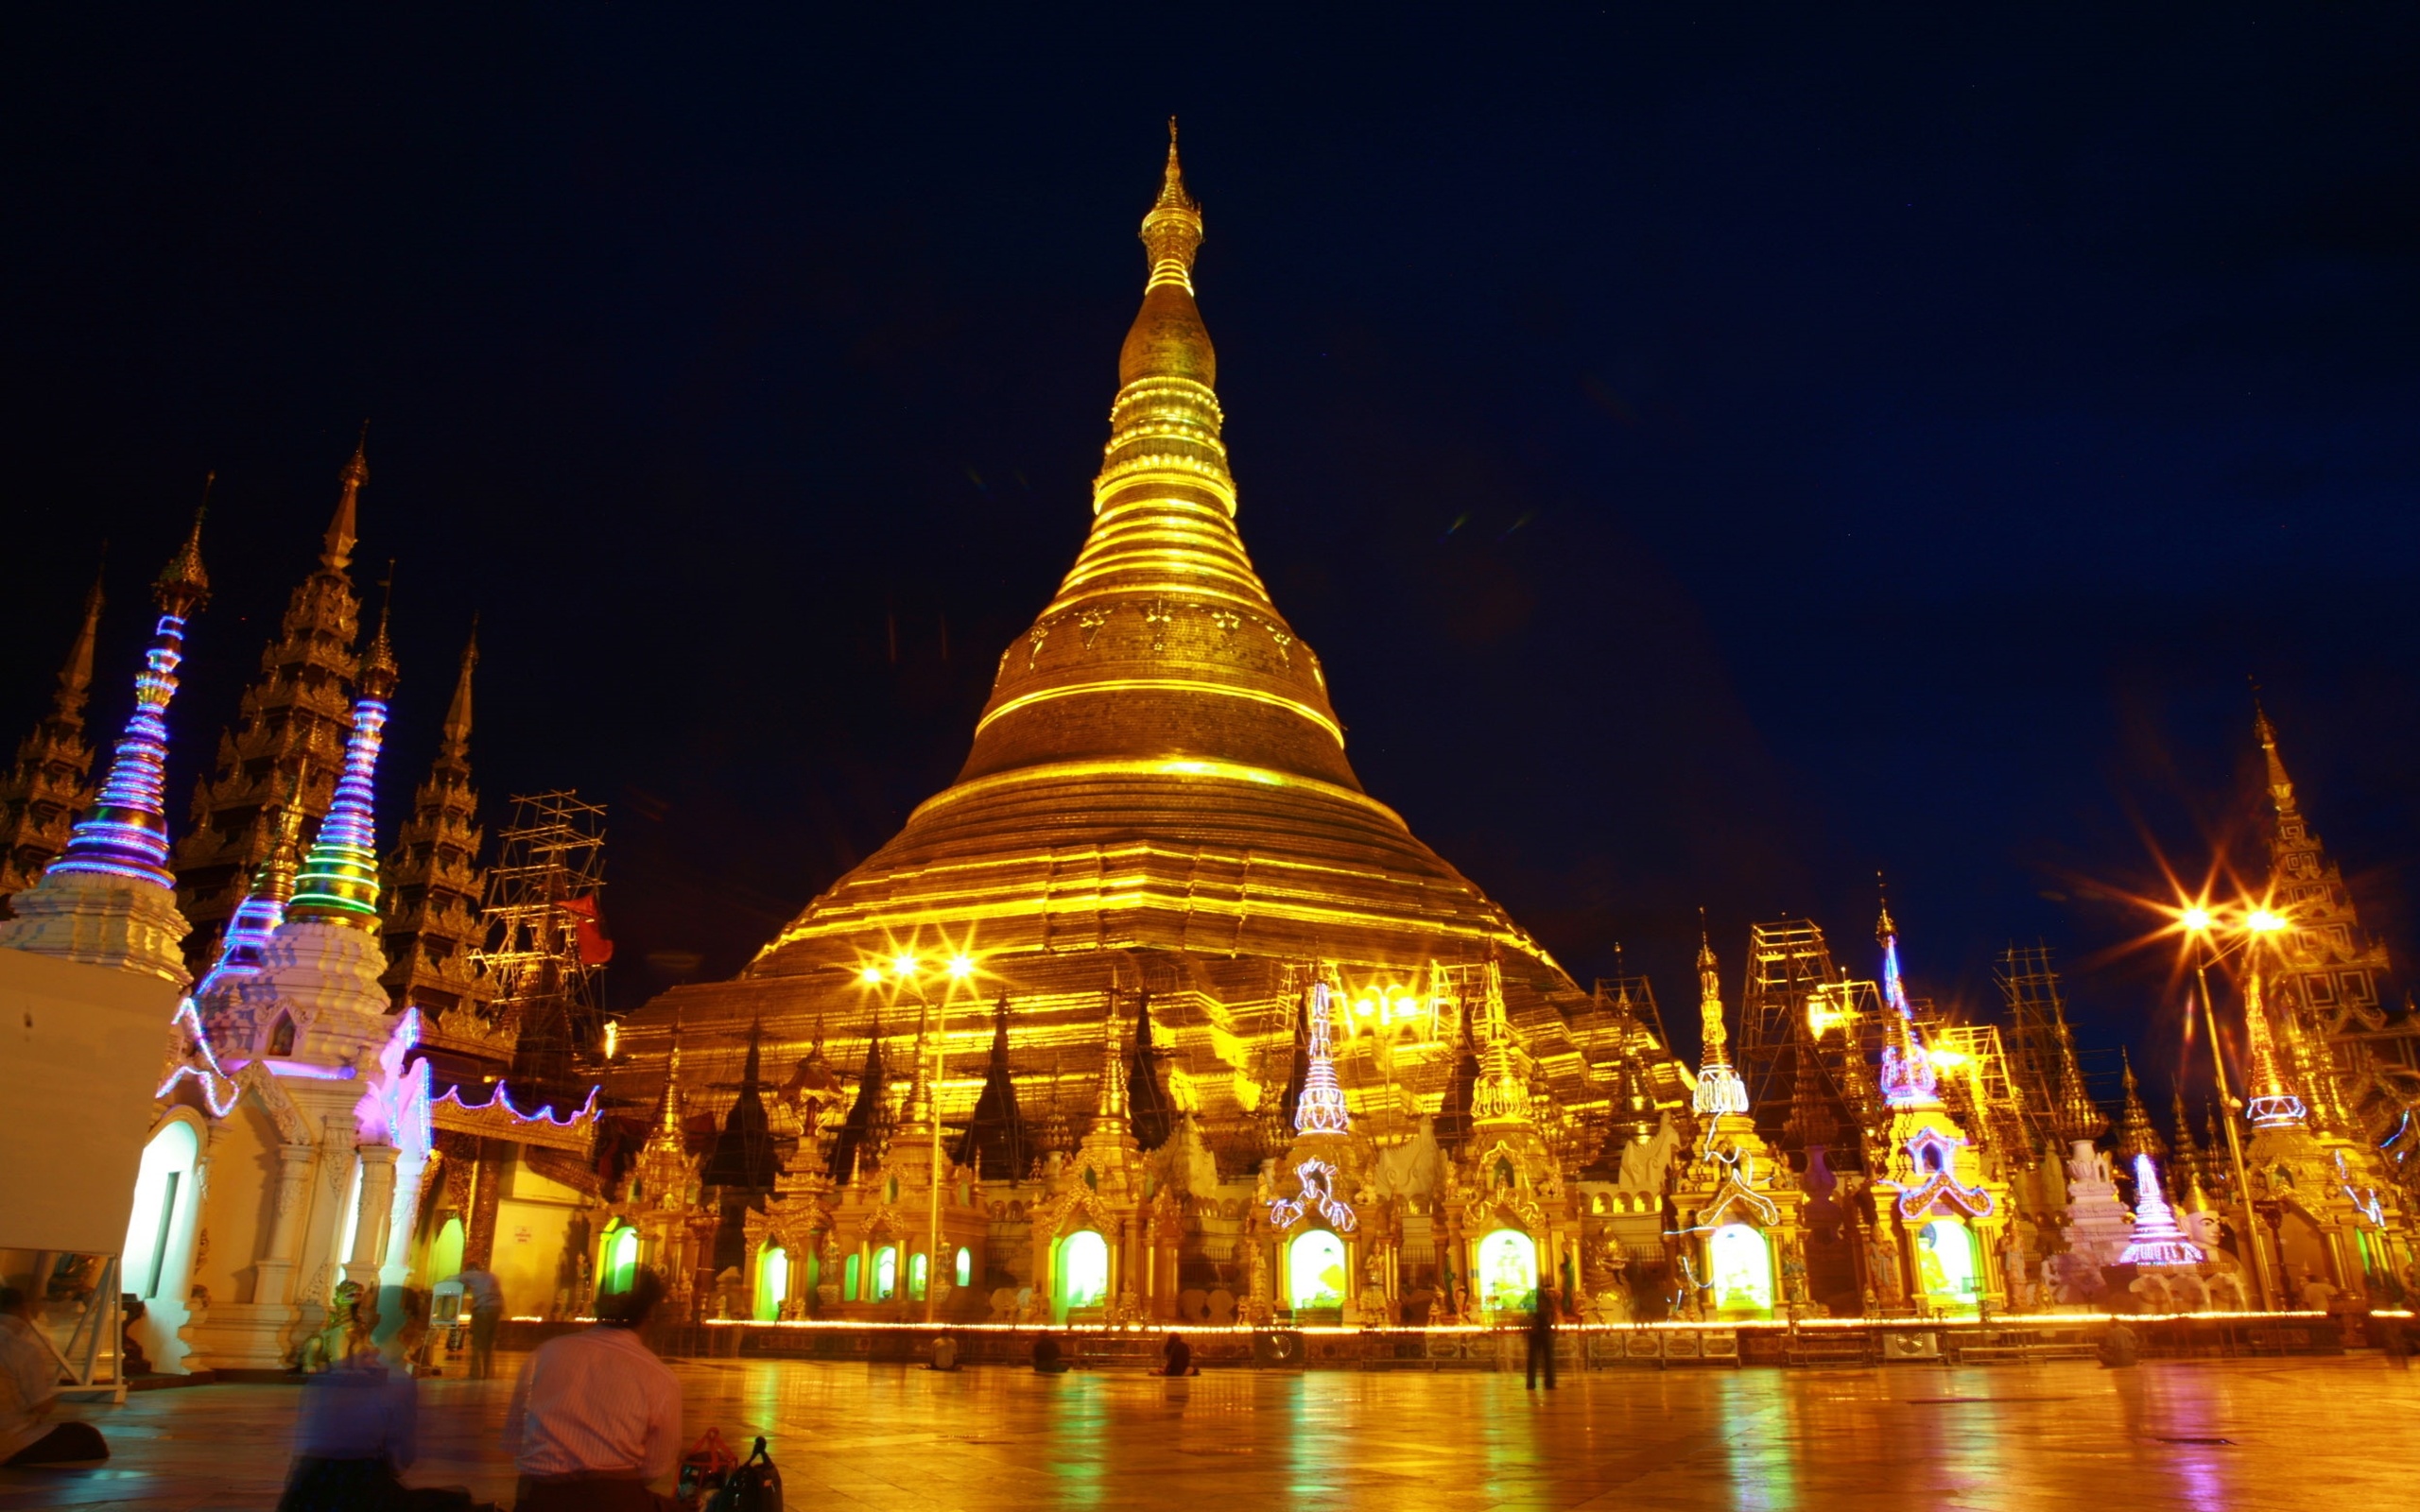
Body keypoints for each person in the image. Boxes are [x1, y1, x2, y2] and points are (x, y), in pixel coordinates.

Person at [505, 1267, 683, 1512]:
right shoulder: (659, 1376)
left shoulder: (546, 1353)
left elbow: (515, 1438)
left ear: (597, 1305)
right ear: (652, 1312)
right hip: (614, 1501)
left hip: (540, 1499)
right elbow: (656, 1468)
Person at [0, 1285, 108, 1467]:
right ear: (21, 1309)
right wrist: (53, 1390)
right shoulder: (20, 1347)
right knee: (86, 1436)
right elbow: (42, 1405)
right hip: (12, 1441)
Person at [447, 1264, 503, 1381]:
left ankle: (475, 1374)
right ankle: (489, 1374)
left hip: (483, 1309)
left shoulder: (471, 1274)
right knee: (489, 1343)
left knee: (477, 1342)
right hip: (497, 1308)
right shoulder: (491, 1276)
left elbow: (451, 1279)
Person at [1525, 1283, 1558, 1390]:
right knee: (1545, 1358)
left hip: (1538, 1331)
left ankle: (1532, 1383)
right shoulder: (1540, 1298)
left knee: (1536, 1358)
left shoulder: (1538, 1298)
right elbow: (1544, 1314)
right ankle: (1549, 1382)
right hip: (1541, 1330)